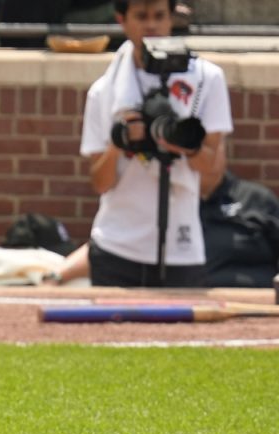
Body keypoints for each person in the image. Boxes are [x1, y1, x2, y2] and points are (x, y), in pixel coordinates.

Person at [79, 0, 232, 287]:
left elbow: (212, 178)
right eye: (141, 16)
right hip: (117, 247)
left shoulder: (206, 79)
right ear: (122, 19)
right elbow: (100, 183)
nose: (151, 26)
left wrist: (186, 145)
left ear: (171, 18)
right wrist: (120, 140)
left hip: (181, 248)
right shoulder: (102, 92)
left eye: (159, 16)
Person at [45, 172, 279, 288]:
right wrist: (57, 276)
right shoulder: (162, 201)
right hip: (185, 305)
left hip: (254, 304)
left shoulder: (255, 200)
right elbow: (115, 245)